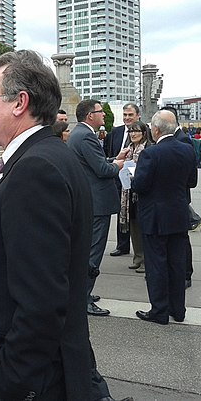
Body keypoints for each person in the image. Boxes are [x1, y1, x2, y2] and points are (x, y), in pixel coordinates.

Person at [0, 50, 93, 400]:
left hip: (21, 379)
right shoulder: (44, 157)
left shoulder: (35, 170)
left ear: (20, 102)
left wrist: (6, 389)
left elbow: (41, 305)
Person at [132, 110, 198, 325]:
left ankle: (159, 310)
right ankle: (178, 309)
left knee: (157, 264)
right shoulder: (187, 150)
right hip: (178, 214)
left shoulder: (151, 153)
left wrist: (134, 177)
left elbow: (140, 185)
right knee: (177, 264)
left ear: (156, 129)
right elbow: (192, 182)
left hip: (155, 216)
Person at [67, 99, 125, 317]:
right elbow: (102, 170)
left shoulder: (78, 134)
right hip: (97, 204)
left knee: (87, 251)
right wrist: (117, 165)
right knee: (93, 253)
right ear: (90, 115)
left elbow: (94, 164)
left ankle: (84, 294)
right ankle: (84, 299)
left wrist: (113, 159)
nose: (104, 115)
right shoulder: (86, 136)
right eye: (100, 112)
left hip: (90, 201)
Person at [161, 106, 201, 287]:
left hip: (177, 198)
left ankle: (185, 273)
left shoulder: (182, 140)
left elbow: (189, 176)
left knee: (181, 239)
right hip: (173, 198)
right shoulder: (175, 138)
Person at [104, 103, 141, 258]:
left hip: (138, 181)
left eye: (130, 115)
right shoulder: (116, 132)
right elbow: (109, 152)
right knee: (122, 212)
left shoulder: (144, 131)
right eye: (125, 115)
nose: (127, 118)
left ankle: (140, 250)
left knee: (137, 217)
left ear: (138, 116)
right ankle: (122, 245)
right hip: (119, 180)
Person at [118, 120, 150, 273]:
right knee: (134, 226)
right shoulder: (128, 149)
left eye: (136, 131)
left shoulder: (148, 149)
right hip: (128, 192)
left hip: (142, 193)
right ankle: (138, 257)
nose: (133, 134)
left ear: (144, 133)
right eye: (131, 131)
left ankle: (146, 260)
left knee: (143, 227)